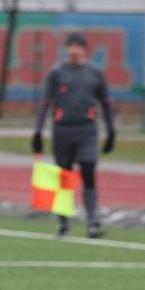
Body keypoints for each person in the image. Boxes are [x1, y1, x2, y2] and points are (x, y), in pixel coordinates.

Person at [32, 31, 116, 238]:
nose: (74, 50)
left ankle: (93, 223)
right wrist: (37, 131)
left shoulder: (95, 73)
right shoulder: (56, 73)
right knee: (64, 177)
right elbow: (45, 103)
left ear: (85, 49)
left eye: (78, 46)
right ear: (66, 48)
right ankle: (63, 223)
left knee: (88, 169)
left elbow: (105, 103)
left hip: (87, 129)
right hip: (63, 130)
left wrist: (112, 130)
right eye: (71, 46)